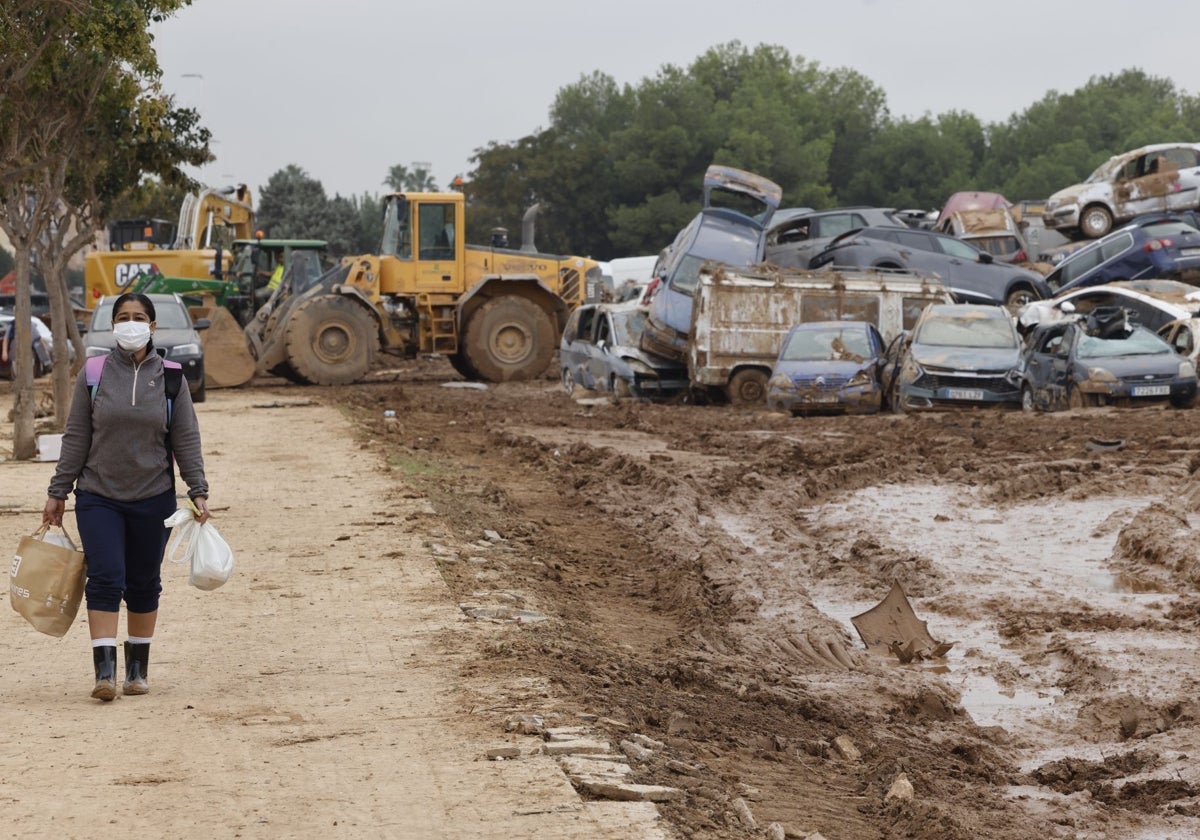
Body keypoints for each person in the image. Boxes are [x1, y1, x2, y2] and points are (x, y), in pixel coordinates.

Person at [43, 292, 212, 702]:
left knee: (142, 582)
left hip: (153, 496)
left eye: (138, 317)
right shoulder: (93, 373)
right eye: (123, 317)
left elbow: (185, 438)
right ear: (113, 324)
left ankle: (137, 671)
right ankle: (104, 674)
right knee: (104, 577)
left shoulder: (171, 377)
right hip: (99, 495)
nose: (130, 324)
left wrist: (198, 490)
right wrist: (58, 491)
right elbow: (77, 436)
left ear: (152, 326)